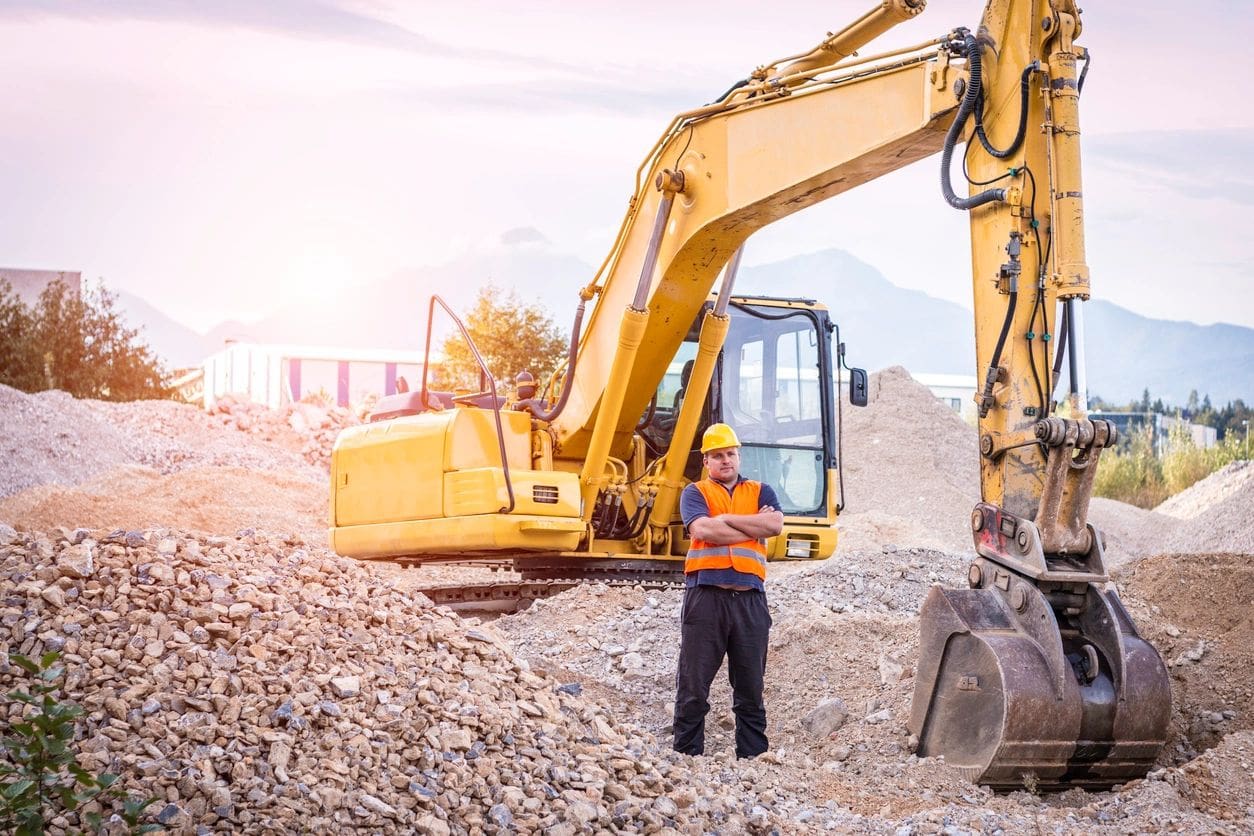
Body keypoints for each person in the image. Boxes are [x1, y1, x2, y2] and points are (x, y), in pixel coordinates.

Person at [673, 423, 783, 759]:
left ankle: (753, 760)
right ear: (706, 461)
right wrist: (751, 525)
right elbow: (703, 528)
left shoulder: (762, 490)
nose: (726, 460)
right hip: (706, 597)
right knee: (693, 686)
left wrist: (726, 521)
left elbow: (775, 525)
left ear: (739, 456)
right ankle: (686, 758)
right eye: (718, 455)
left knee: (751, 688)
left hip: (750, 599)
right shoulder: (695, 493)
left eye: (730, 454)